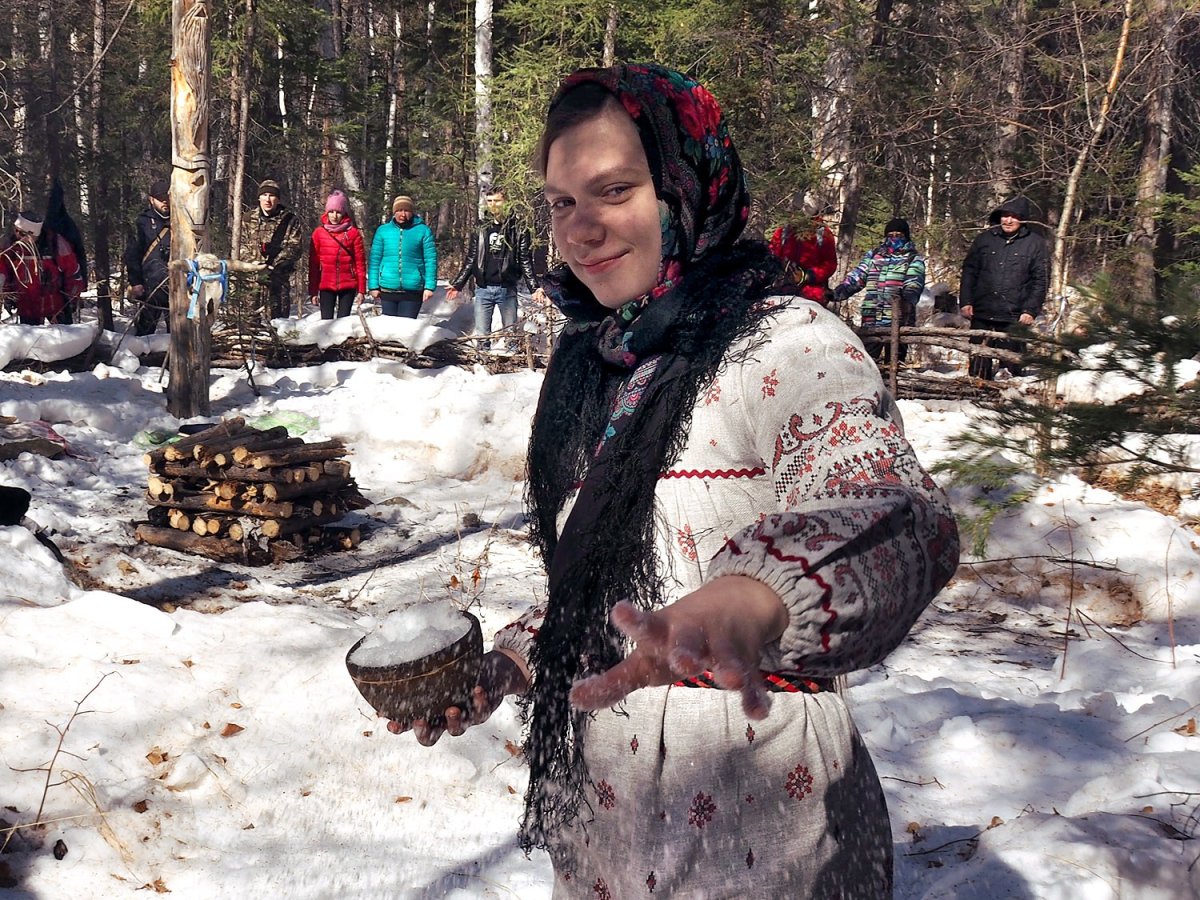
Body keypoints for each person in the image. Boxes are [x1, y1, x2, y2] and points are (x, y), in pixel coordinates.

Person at [387, 64, 959, 897]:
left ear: (687, 186)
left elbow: (899, 515)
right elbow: (608, 584)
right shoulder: (595, 359)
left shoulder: (788, 343)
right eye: (561, 202)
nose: (581, 229)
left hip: (759, 808)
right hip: (605, 823)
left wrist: (756, 599)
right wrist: (514, 661)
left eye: (613, 189)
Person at [958, 195, 1049, 379]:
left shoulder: (1035, 244)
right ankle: (975, 398)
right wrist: (966, 301)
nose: (1008, 220)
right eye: (1005, 215)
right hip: (982, 311)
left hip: (1015, 315)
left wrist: (1030, 310)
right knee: (978, 367)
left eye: (1014, 216)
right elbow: (969, 272)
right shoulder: (984, 240)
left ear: (1022, 219)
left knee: (1010, 370)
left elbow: (1041, 280)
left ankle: (1006, 402)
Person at [445, 187, 542, 345]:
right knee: (482, 335)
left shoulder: (518, 228)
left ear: (506, 202)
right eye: (489, 201)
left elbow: (525, 259)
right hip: (483, 289)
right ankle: (482, 363)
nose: (493, 205)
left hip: (507, 289)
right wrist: (458, 284)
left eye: (497, 201)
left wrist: (534, 287)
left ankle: (511, 365)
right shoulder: (481, 227)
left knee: (511, 333)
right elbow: (471, 258)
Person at [831, 218, 926, 364]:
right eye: (891, 235)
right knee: (867, 361)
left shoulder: (913, 259)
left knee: (894, 363)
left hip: (898, 320)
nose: (894, 238)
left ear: (906, 236)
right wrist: (838, 293)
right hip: (872, 317)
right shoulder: (874, 255)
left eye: (899, 235)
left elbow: (914, 282)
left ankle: (894, 384)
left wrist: (906, 299)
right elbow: (858, 277)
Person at [0, 211, 85, 326]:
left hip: (56, 306)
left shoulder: (56, 245)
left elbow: (73, 275)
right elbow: (4, 273)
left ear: (33, 234)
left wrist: (72, 300)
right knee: (32, 343)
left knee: (64, 340)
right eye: (16, 230)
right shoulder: (10, 246)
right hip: (27, 307)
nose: (17, 235)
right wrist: (8, 296)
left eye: (21, 233)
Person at [237, 178, 304, 320]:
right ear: (259, 197)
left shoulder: (290, 220)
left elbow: (295, 247)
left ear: (278, 199)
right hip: (252, 282)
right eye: (264, 195)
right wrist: (253, 264)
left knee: (277, 324)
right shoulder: (248, 219)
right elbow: (241, 245)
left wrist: (275, 265)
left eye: (272, 195)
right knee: (250, 323)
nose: (268, 199)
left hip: (278, 281)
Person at [367, 195, 437, 318]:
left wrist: (429, 287)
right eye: (399, 210)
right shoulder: (383, 231)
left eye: (406, 210)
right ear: (394, 212)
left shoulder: (423, 230)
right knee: (389, 331)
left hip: (413, 289)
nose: (403, 214)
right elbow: (375, 260)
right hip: (388, 288)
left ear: (412, 212)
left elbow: (430, 260)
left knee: (407, 330)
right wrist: (373, 285)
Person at [307, 190, 366, 320]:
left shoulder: (353, 233)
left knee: (343, 323)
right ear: (327, 212)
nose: (334, 216)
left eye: (338, 212)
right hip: (326, 284)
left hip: (348, 285)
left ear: (344, 212)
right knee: (326, 322)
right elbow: (314, 265)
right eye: (331, 212)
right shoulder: (319, 233)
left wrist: (362, 290)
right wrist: (313, 290)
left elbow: (360, 263)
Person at [125, 179, 172, 335]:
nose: (165, 202)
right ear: (151, 199)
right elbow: (133, 254)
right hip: (150, 287)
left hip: (176, 287)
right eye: (160, 198)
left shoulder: (181, 221)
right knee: (144, 331)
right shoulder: (142, 222)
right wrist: (135, 282)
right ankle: (143, 359)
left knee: (177, 334)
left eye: (167, 197)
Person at [767, 202, 837, 304]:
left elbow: (830, 263)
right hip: (782, 290)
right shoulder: (783, 231)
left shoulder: (823, 234)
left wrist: (808, 276)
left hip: (812, 294)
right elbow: (772, 255)